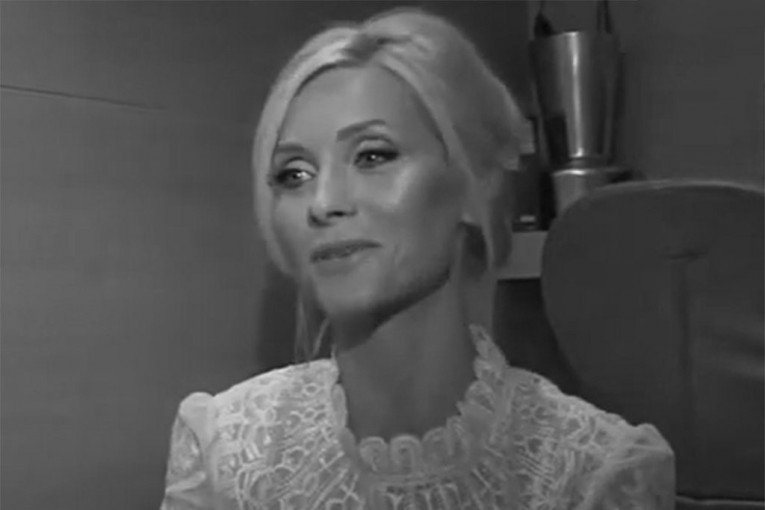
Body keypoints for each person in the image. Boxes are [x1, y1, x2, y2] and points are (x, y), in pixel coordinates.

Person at [160, 7, 674, 509]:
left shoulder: (597, 473)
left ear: (477, 183)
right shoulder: (224, 453)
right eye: (294, 174)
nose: (323, 202)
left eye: (373, 156)